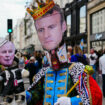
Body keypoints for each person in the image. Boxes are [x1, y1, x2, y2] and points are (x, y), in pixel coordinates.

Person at [26, 0, 102, 105]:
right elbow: (36, 95)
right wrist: (26, 95)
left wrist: (72, 101)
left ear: (64, 26)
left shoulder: (77, 69)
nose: (46, 35)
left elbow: (94, 96)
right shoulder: (42, 73)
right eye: (41, 30)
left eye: (51, 27)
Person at [0, 39, 29, 105]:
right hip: (8, 91)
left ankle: (19, 97)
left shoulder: (18, 70)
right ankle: (8, 98)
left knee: (19, 100)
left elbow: (25, 73)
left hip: (18, 89)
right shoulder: (5, 72)